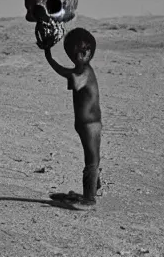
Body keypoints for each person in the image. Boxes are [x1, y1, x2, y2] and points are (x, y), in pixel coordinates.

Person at [43, 27, 102, 205]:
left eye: (84, 52)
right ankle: (93, 187)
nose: (79, 56)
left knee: (91, 159)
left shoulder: (85, 72)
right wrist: (48, 55)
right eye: (75, 52)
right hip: (83, 124)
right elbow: (65, 72)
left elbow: (75, 80)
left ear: (90, 52)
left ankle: (90, 197)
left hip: (91, 124)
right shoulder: (79, 70)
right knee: (91, 157)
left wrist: (53, 60)